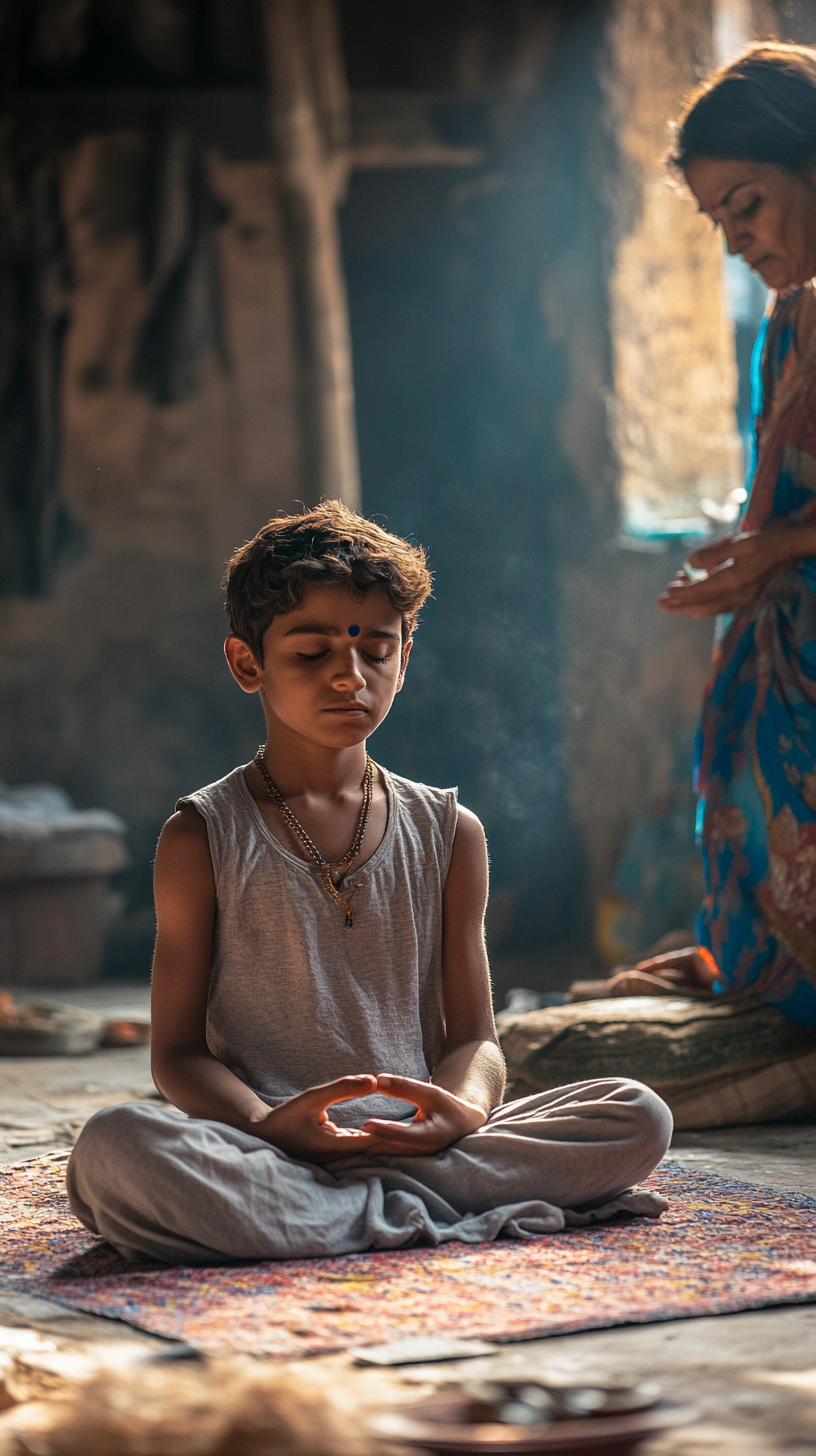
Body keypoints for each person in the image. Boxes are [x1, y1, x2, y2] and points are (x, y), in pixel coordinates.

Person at [67, 502, 670, 1264]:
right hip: (270, 1147)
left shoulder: (452, 833)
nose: (350, 677)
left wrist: (457, 1110)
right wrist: (264, 1125)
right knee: (115, 1148)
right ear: (247, 663)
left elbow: (476, 1039)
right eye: (312, 654)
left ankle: (345, 1217)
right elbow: (178, 1055)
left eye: (376, 652)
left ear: (405, 658)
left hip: (422, 1146)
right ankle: (413, 1214)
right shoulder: (201, 836)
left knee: (636, 1112)